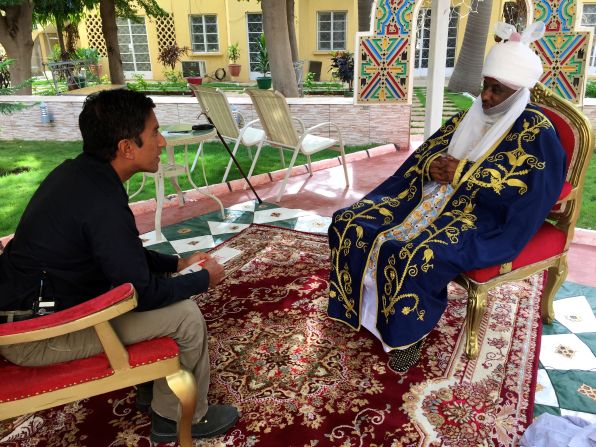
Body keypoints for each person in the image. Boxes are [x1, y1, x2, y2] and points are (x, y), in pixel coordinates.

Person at [0, 89, 238, 443]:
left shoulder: (81, 176)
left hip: (33, 308)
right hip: (34, 334)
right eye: (155, 132)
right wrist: (203, 278)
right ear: (127, 147)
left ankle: (151, 387)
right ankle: (174, 419)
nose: (162, 142)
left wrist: (177, 263)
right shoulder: (101, 203)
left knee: (161, 289)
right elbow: (141, 293)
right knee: (185, 316)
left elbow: (120, 255)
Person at [327, 21, 567, 372]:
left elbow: (530, 194)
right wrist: (432, 167)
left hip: (478, 215)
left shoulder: (537, 132)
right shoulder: (471, 113)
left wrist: (464, 176)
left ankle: (407, 338)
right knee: (351, 222)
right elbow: (426, 154)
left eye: (497, 90)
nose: (485, 97)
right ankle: (363, 312)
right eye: (486, 86)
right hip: (427, 196)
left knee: (413, 253)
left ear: (517, 93)